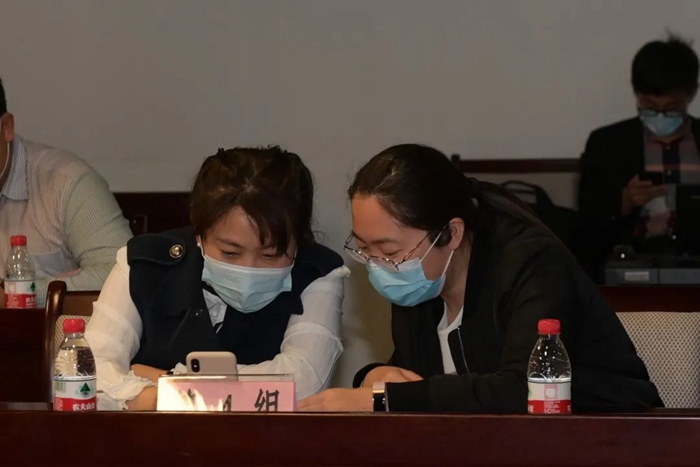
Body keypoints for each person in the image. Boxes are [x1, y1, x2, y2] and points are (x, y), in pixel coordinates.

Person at [300, 144, 661, 413]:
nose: (378, 265)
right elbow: (415, 383)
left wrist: (383, 400)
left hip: (611, 441)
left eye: (389, 251)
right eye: (365, 249)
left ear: (452, 233)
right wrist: (373, 375)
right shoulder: (420, 285)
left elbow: (522, 391)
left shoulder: (532, 264)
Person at [85, 146, 349, 410]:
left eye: (271, 255)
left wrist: (166, 380)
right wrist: (161, 397)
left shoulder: (319, 272)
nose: (249, 268)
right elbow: (91, 371)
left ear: (298, 242)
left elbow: (304, 384)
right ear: (199, 235)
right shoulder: (143, 263)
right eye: (230, 253)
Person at [578, 34, 700, 281]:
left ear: (691, 94)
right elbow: (584, 232)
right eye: (650, 107)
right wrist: (623, 203)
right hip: (631, 269)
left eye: (672, 108)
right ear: (636, 93)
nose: (661, 115)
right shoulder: (606, 144)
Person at [0, 78, 132, 306]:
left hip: (59, 330)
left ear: (6, 128)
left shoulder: (68, 183)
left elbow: (124, 274)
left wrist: (16, 296)